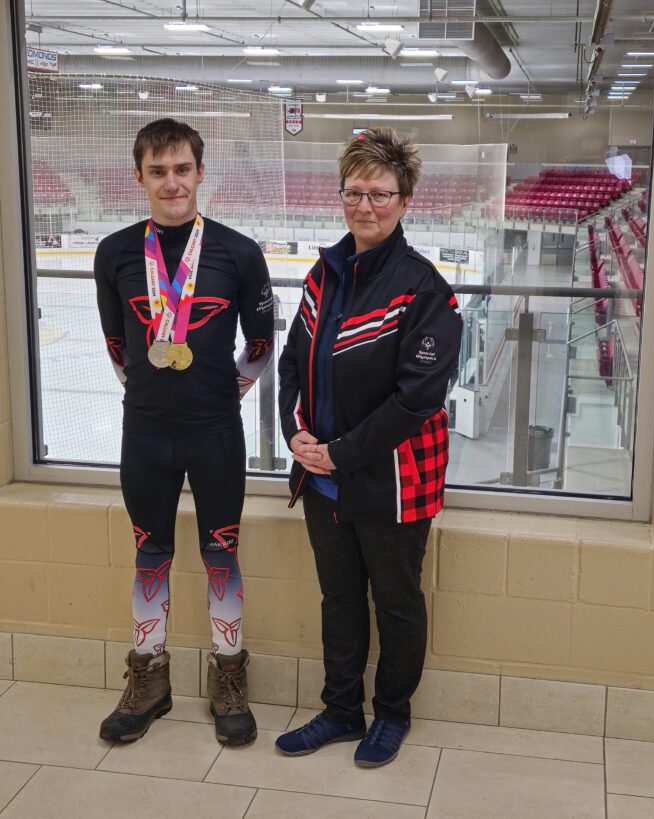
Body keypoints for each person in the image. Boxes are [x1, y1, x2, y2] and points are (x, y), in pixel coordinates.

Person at [276, 128, 462, 767]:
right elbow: (292, 364)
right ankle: (339, 710)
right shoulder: (322, 275)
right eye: (354, 192)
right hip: (324, 478)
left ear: (405, 200)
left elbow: (416, 401)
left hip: (391, 482)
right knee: (340, 599)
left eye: (380, 194)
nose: (365, 206)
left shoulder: (424, 289)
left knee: (397, 602)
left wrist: (341, 453)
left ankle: (392, 714)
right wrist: (295, 435)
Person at [94, 118, 274, 746]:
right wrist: (151, 387)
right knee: (151, 553)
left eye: (182, 169)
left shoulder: (239, 253)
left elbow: (259, 344)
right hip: (144, 433)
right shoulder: (114, 252)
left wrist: (226, 390)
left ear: (200, 173)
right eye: (158, 171)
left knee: (220, 553)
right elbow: (118, 343)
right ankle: (150, 681)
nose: (172, 183)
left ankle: (229, 677)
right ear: (138, 176)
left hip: (215, 431)